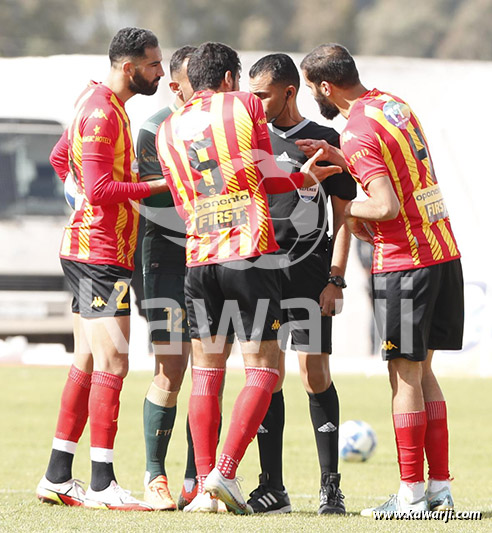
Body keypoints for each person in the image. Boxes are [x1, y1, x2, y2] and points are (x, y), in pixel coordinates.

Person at [155, 42, 342, 515]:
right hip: (249, 256)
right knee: (263, 368)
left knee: (207, 374)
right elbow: (262, 173)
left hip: (198, 258)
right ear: (229, 79)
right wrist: (299, 179)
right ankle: (226, 472)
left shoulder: (167, 128)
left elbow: (181, 202)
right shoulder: (240, 106)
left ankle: (202, 489)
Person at [300, 43, 464, 516]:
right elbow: (396, 170)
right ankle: (439, 490)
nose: (316, 98)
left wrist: (342, 206)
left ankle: (411, 494)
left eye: (313, 90)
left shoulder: (355, 131)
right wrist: (342, 155)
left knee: (404, 376)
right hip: (442, 253)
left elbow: (386, 206)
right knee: (424, 371)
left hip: (405, 262)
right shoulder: (394, 104)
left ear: (326, 86)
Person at [36, 27, 168, 511]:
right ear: (129, 67)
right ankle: (102, 484)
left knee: (87, 362)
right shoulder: (100, 112)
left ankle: (57, 476)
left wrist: (83, 197)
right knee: (114, 362)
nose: (160, 72)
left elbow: (59, 160)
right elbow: (99, 190)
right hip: (100, 256)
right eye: (154, 65)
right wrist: (159, 186)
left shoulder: (95, 101)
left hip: (89, 249)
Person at [246, 53, 356, 515]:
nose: (255, 104)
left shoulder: (327, 139)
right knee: (266, 377)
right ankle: (272, 486)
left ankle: (331, 487)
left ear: (289, 92)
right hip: (260, 274)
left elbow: (345, 217)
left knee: (314, 375)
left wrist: (336, 279)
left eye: (262, 95)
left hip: (311, 276)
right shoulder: (252, 138)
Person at [137, 45, 200, 511]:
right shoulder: (153, 128)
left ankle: (198, 479)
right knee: (172, 366)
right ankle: (154, 475)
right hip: (167, 259)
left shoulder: (222, 126)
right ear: (178, 85)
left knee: (210, 366)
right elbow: (158, 206)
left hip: (215, 257)